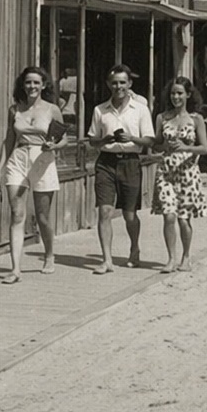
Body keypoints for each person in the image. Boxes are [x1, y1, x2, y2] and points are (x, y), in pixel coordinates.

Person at [0, 67, 67, 283]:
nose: (32, 87)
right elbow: (8, 140)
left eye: (36, 82)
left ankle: (49, 254)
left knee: (42, 217)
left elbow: (64, 139)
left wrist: (54, 146)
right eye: (28, 83)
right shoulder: (15, 109)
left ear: (43, 85)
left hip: (43, 159)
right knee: (16, 213)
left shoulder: (52, 109)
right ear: (22, 85)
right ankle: (15, 269)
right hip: (19, 158)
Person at [87, 64, 155, 274]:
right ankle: (107, 260)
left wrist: (132, 138)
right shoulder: (100, 110)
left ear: (130, 84)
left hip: (130, 162)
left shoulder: (140, 109)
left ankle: (134, 249)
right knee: (105, 211)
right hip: (106, 162)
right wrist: (104, 139)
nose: (118, 87)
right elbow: (92, 141)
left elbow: (149, 140)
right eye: (114, 83)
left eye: (122, 82)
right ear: (108, 84)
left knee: (129, 214)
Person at [152, 77, 207, 273]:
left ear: (188, 95)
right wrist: (162, 145)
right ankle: (170, 258)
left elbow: (204, 148)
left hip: (188, 173)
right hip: (166, 172)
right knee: (168, 216)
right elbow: (156, 142)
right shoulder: (162, 117)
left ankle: (186, 256)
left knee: (184, 219)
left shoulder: (196, 119)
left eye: (179, 93)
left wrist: (186, 147)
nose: (176, 97)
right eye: (173, 93)